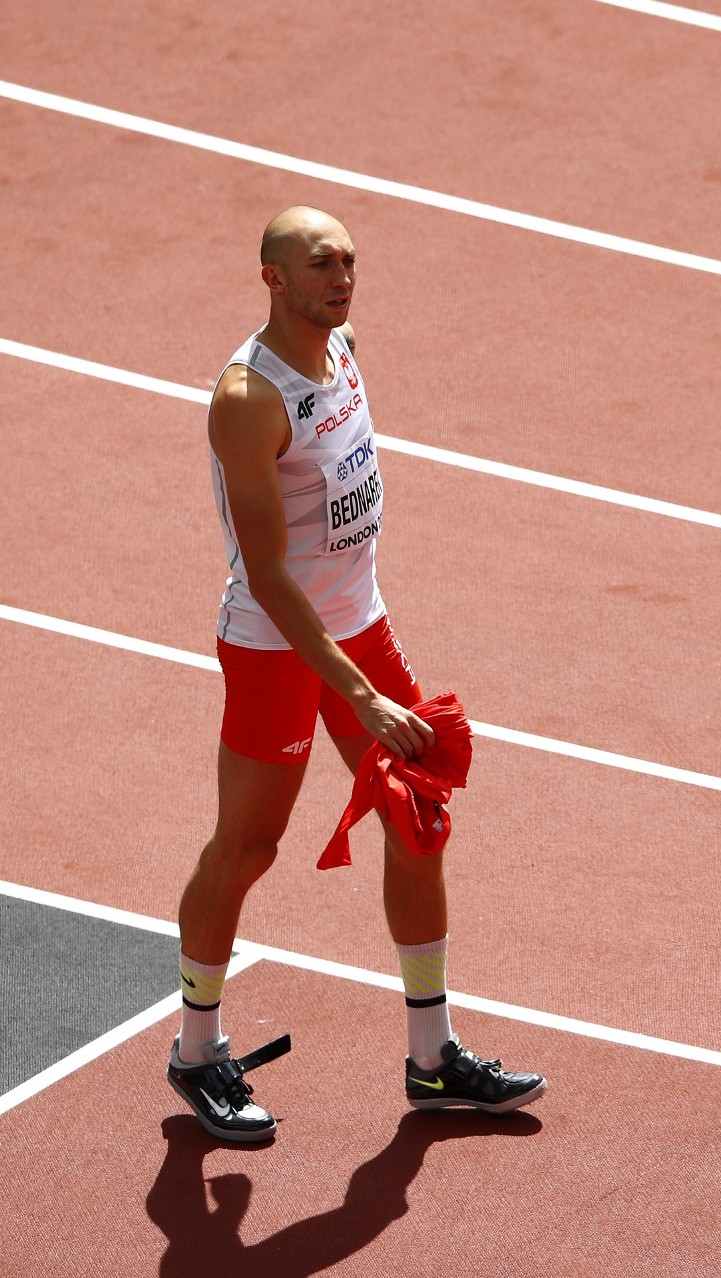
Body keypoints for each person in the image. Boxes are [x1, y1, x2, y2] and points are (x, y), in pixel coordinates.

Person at [167, 206, 546, 1141]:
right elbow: (266, 575)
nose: (341, 278)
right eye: (320, 264)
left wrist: (367, 665)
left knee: (417, 816)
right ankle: (195, 1048)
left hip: (360, 625)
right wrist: (360, 693)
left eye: (349, 262)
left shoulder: (342, 352)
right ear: (273, 278)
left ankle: (432, 1058)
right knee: (248, 848)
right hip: (275, 646)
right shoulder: (249, 400)